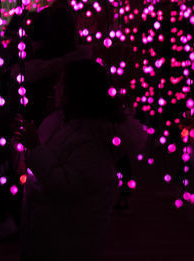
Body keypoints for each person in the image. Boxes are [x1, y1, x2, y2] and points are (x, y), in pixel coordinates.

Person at [16, 58, 148, 261]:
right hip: (47, 237)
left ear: (77, 91)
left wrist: (35, 148)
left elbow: (64, 185)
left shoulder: (95, 139)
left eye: (62, 83)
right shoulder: (59, 123)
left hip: (69, 243)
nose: (56, 87)